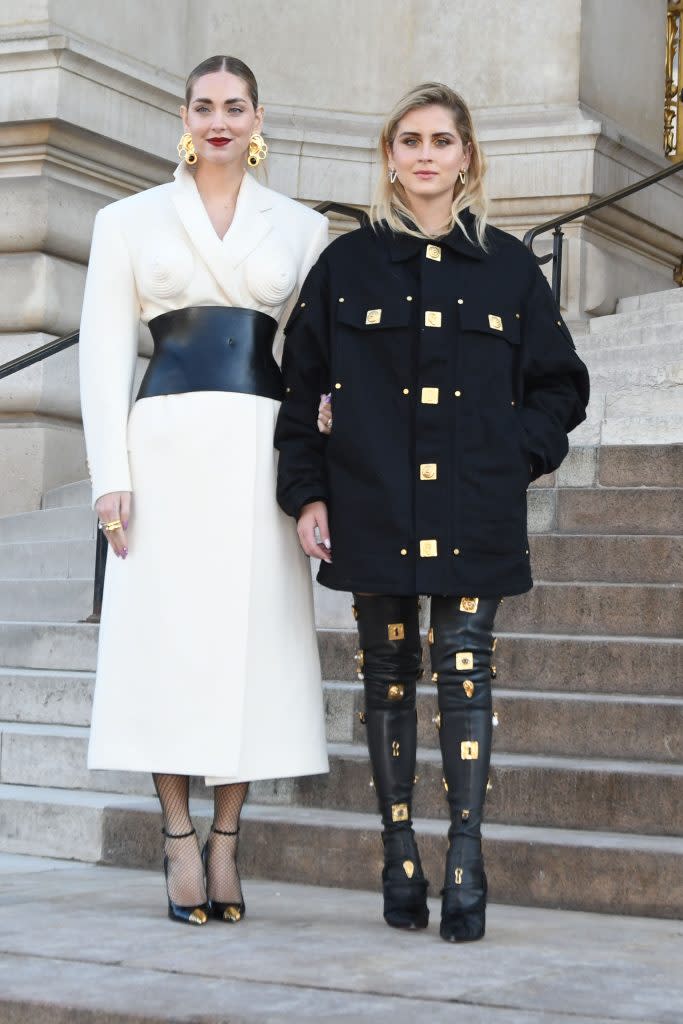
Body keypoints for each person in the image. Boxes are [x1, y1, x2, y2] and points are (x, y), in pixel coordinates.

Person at [275, 82, 589, 943]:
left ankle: (465, 858)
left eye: (441, 140)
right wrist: (305, 492)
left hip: (470, 507)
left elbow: (560, 384)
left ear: (466, 157)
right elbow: (300, 391)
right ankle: (397, 854)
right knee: (385, 676)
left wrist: (513, 452)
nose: (424, 153)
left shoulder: (509, 267)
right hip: (370, 501)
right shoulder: (345, 266)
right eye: (409, 139)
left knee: (463, 670)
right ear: (388, 155)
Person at [79, 55, 329, 927]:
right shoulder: (126, 220)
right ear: (183, 116)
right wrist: (111, 478)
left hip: (259, 455)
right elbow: (105, 353)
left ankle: (229, 835)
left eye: (235, 107)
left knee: (248, 649)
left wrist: (319, 456)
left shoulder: (302, 227)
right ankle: (178, 834)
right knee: (167, 647)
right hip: (163, 451)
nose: (219, 120)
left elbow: (313, 359)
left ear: (259, 118)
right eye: (203, 106)